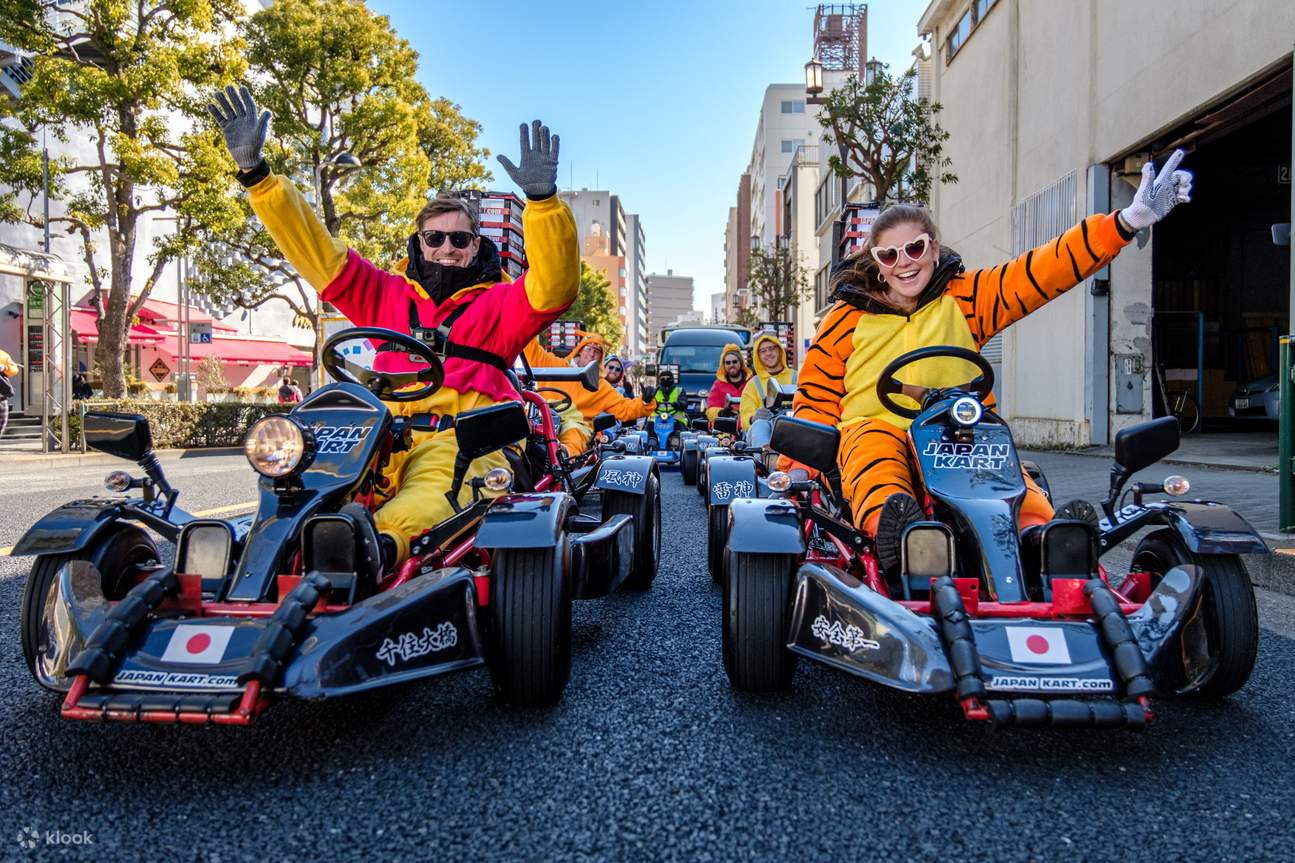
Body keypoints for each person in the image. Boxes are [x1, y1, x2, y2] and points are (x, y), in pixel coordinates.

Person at [208, 85, 578, 570]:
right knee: (303, 493)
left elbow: (555, 285)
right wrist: (258, 178)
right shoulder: (382, 291)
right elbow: (314, 249)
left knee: (422, 502)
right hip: (379, 437)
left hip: (464, 443)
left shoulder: (503, 301)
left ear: (475, 245)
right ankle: (266, 555)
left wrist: (543, 203)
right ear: (420, 243)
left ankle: (374, 549)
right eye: (435, 237)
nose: (447, 247)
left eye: (459, 238)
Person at [784, 150, 1192, 575]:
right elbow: (817, 395)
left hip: (960, 428)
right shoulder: (844, 318)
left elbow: (1043, 270)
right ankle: (902, 540)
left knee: (1008, 482)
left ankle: (1044, 541)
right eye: (889, 255)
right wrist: (799, 467)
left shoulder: (967, 296)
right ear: (877, 263)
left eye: (914, 248)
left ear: (934, 249)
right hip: (874, 426)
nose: (903, 262)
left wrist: (1125, 223)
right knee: (877, 469)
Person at [522, 330, 656, 428]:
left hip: (576, 427)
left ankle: (563, 453)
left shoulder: (600, 386)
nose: (591, 354)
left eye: (597, 352)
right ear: (580, 349)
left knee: (573, 433)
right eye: (589, 348)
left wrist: (645, 401)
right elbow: (531, 348)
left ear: (600, 359)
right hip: (540, 420)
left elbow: (625, 408)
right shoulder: (553, 364)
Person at [738, 333, 794, 429]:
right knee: (760, 426)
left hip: (794, 429)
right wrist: (753, 418)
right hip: (765, 433)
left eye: (771, 349)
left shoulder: (797, 377)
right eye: (763, 351)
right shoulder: (753, 384)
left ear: (779, 350)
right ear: (758, 356)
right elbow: (744, 417)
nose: (768, 353)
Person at [705, 343, 751, 427]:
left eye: (734, 362)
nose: (731, 365)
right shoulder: (718, 384)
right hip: (726, 430)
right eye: (728, 362)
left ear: (741, 362)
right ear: (724, 365)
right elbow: (710, 410)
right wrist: (722, 412)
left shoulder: (752, 382)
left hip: (748, 427)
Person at [651, 368, 686, 437]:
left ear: (672, 379)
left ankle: (679, 445)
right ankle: (649, 443)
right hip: (656, 421)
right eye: (663, 378)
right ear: (659, 380)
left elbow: (684, 402)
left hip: (676, 421)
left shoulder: (679, 390)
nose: (665, 380)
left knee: (681, 433)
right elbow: (648, 404)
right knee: (648, 427)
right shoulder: (655, 391)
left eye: (668, 378)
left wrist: (678, 404)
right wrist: (654, 405)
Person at [0, 348, 18, 439]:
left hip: (1, 399)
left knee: (1, 426)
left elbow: (14, 369)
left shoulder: (2, 354)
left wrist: (5, 367)